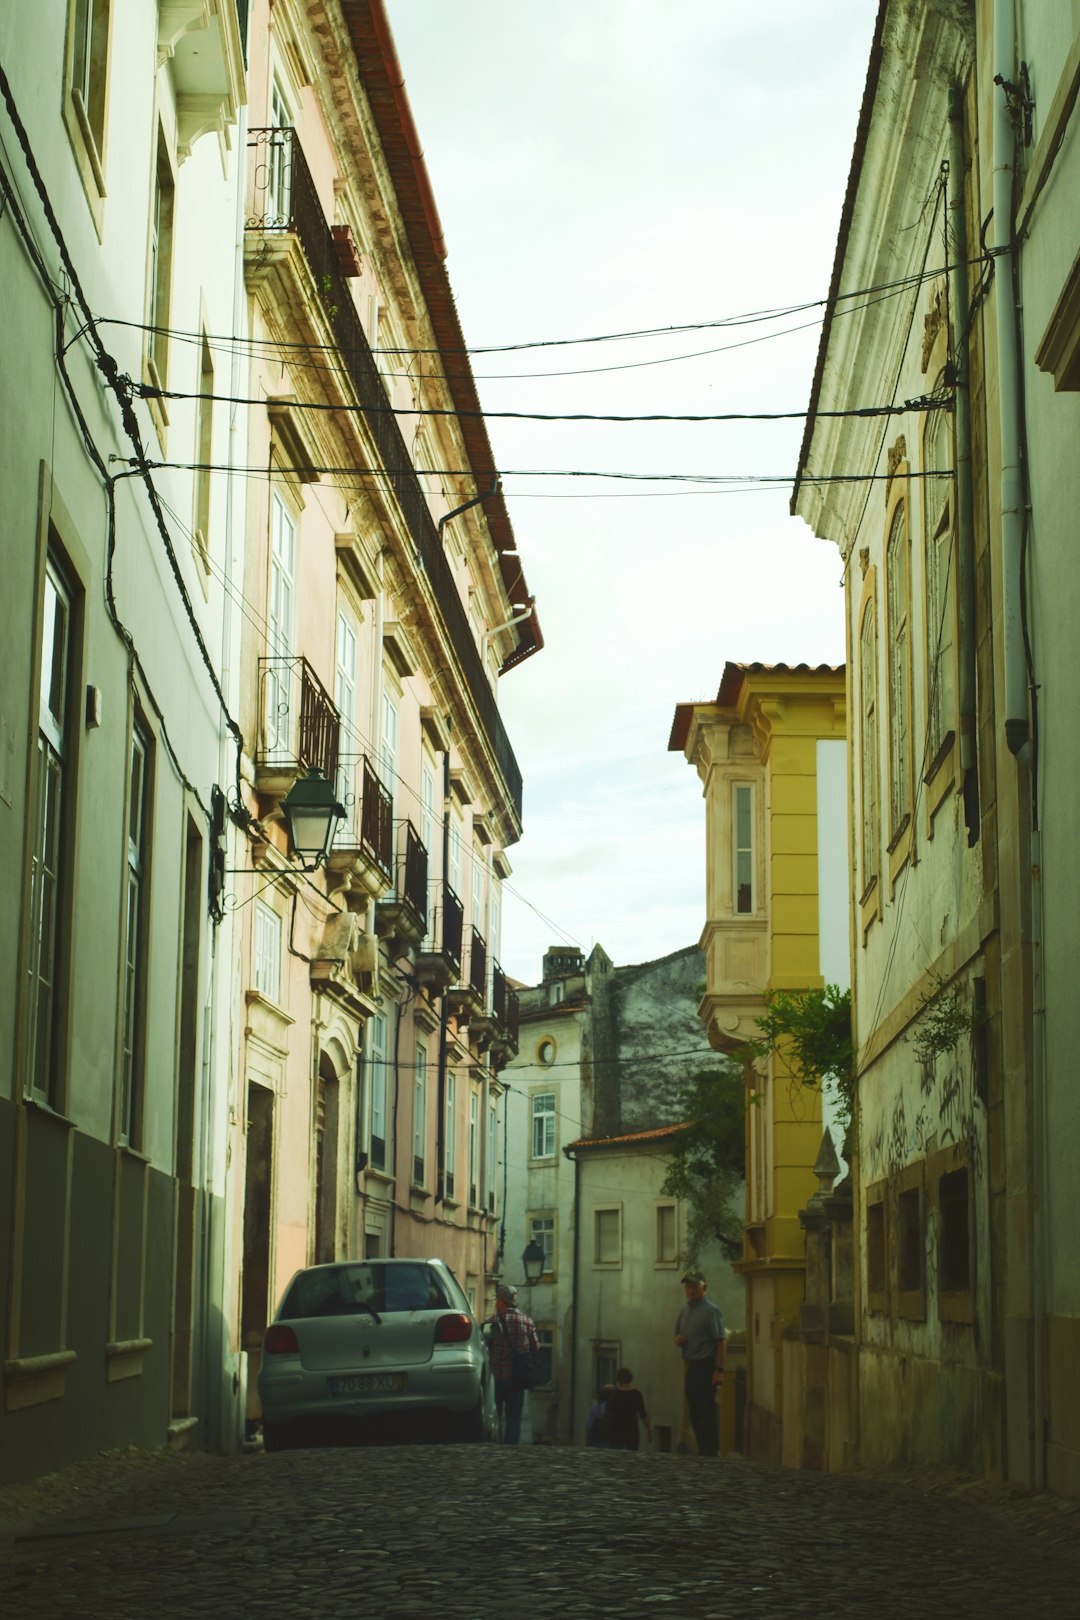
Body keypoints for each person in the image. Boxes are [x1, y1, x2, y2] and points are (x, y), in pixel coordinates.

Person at [674, 1269, 726, 1457]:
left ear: (704, 1288)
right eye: (688, 1287)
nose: (691, 1290)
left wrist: (719, 1369)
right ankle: (702, 1448)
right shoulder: (685, 1312)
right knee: (694, 1408)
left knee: (705, 1409)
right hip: (691, 1365)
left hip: (705, 1364)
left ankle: (710, 1450)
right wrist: (679, 1340)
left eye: (695, 1286)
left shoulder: (711, 1311)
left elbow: (720, 1341)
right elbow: (678, 1336)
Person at [485, 1282, 539, 1445]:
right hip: (517, 1378)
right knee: (513, 1417)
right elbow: (535, 1347)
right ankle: (510, 1447)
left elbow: (485, 1346)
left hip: (498, 1377)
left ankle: (496, 1443)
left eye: (497, 1300)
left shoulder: (493, 1322)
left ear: (501, 1301)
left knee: (495, 1414)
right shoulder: (527, 1321)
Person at [605, 1367, 653, 1451]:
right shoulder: (636, 1394)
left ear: (618, 1379)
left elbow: (609, 1412)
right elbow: (643, 1414)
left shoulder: (614, 1394)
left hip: (616, 1431)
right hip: (631, 1431)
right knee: (631, 1457)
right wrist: (649, 1429)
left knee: (616, 1458)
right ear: (630, 1378)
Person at [585, 1383, 615, 1447]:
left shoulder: (595, 1405)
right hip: (608, 1438)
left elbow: (589, 1423)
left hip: (594, 1437)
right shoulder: (614, 1407)